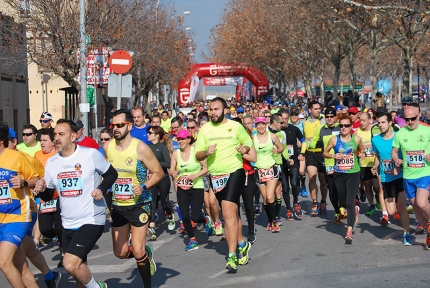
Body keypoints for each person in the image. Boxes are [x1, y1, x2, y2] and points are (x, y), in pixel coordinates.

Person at [34, 119, 118, 288]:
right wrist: (41, 188)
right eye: (55, 134)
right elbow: (49, 195)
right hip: (67, 222)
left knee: (70, 263)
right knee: (78, 270)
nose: (56, 138)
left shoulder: (90, 154)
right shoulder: (52, 162)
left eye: (61, 134)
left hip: (91, 219)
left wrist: (101, 188)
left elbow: (111, 174)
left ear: (73, 136)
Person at [104, 109, 164, 287]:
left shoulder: (140, 147)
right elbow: (106, 172)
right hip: (118, 205)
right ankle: (146, 254)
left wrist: (144, 186)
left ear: (129, 126)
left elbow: (158, 172)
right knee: (120, 252)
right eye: (113, 125)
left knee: (136, 249)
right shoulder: (108, 147)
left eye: (120, 125)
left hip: (139, 203)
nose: (115, 128)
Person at [195, 97, 253, 273]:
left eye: (216, 109)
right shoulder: (204, 130)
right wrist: (205, 152)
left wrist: (246, 149)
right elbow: (197, 155)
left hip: (235, 171)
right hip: (216, 175)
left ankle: (232, 255)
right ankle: (242, 243)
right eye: (211, 109)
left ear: (225, 110)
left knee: (227, 211)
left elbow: (248, 141)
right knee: (232, 214)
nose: (213, 112)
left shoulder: (235, 126)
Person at [392, 105, 430, 250]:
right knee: (416, 209)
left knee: (421, 203)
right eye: (407, 119)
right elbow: (394, 151)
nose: (410, 122)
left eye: (413, 118)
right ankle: (428, 234)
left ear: (419, 115)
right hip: (408, 176)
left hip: (425, 173)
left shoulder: (427, 130)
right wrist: (396, 159)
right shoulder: (400, 134)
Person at [323, 115, 365, 243]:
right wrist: (334, 155)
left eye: (346, 125)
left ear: (351, 127)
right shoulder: (334, 140)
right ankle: (353, 210)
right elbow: (324, 153)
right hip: (339, 173)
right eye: (341, 126)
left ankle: (349, 230)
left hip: (353, 173)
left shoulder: (356, 139)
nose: (344, 128)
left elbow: (362, 151)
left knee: (348, 202)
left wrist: (362, 154)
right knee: (341, 198)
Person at [371, 113, 412, 245]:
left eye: (383, 122)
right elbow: (377, 156)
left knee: (401, 206)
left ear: (390, 123)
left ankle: (407, 233)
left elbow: (406, 155)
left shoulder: (398, 136)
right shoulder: (375, 139)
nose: (380, 125)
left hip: (399, 176)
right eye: (378, 123)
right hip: (385, 177)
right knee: (391, 211)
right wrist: (374, 166)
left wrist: (399, 168)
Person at [169, 129, 211, 251]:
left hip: (196, 186)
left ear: (188, 139)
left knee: (195, 217)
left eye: (183, 139)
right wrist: (173, 173)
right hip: (182, 186)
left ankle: (205, 219)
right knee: (185, 216)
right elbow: (171, 170)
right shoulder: (175, 154)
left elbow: (206, 168)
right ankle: (192, 240)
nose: (180, 141)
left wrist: (195, 175)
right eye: (179, 139)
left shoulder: (196, 152)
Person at [309, 107, 341, 223]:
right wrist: (315, 143)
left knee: (341, 189)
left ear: (335, 117)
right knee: (332, 191)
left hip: (341, 163)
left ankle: (344, 207)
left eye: (331, 117)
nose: (329, 119)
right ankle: (337, 212)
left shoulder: (341, 127)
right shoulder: (321, 129)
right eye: (327, 116)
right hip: (328, 163)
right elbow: (312, 143)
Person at [254, 116, 284, 231]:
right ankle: (270, 219)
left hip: (271, 168)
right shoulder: (253, 138)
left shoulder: (272, 136)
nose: (261, 126)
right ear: (256, 126)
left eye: (262, 124)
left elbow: (281, 147)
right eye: (258, 124)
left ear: (266, 124)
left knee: (271, 196)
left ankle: (274, 221)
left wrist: (278, 150)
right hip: (259, 170)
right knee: (265, 198)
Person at [299, 101, 327, 216]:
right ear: (309, 109)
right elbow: (304, 139)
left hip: (322, 153)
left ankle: (323, 202)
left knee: (323, 181)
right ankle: (314, 202)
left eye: (319, 108)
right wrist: (302, 152)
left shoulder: (323, 119)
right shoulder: (304, 122)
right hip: (310, 153)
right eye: (315, 109)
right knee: (311, 178)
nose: (318, 110)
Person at [146, 126, 173, 241]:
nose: (148, 135)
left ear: (157, 135)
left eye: (150, 133)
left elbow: (168, 163)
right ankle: (152, 227)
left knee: (163, 202)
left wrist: (155, 164)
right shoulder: (147, 148)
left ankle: (170, 215)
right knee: (152, 202)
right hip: (152, 179)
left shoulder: (162, 147)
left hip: (163, 178)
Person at [99, 128, 114, 213]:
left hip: (119, 186)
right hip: (107, 187)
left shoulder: (119, 150)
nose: (103, 141)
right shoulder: (98, 152)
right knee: (112, 213)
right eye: (101, 139)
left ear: (112, 138)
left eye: (106, 139)